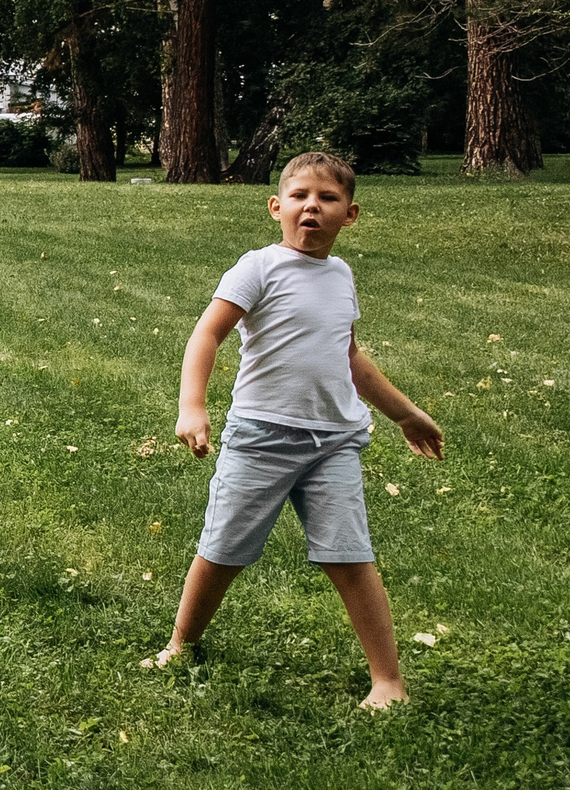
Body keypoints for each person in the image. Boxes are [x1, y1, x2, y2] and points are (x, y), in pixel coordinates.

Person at [150, 150, 444, 706]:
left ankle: (388, 681)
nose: (313, 206)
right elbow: (207, 334)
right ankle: (181, 643)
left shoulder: (340, 275)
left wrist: (405, 413)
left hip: (333, 441)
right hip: (262, 437)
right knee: (223, 548)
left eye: (328, 198)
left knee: (350, 554)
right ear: (276, 206)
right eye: (301, 196)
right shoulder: (257, 267)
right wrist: (193, 405)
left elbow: (351, 357)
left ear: (349, 215)